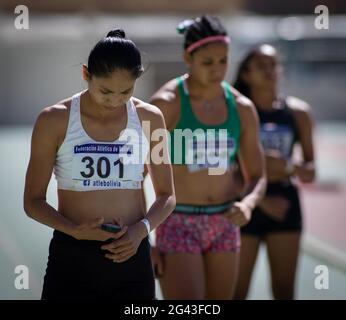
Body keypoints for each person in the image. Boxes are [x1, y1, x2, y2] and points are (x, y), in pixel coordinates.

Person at [23, 29, 176, 300]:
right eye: (105, 91)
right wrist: (74, 231)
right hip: (72, 256)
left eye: (126, 91)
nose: (115, 100)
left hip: (131, 254)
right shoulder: (53, 120)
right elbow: (32, 201)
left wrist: (140, 231)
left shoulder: (151, 118)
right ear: (86, 74)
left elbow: (167, 196)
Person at [149, 16, 266, 300]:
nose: (218, 70)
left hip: (224, 222)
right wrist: (145, 236)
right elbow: (136, 172)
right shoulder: (164, 105)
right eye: (208, 62)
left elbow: (257, 175)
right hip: (178, 222)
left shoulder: (242, 108)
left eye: (223, 61)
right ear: (187, 57)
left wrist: (248, 205)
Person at [233, 44, 316, 300]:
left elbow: (311, 172)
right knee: (237, 290)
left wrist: (288, 166)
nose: (270, 71)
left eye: (274, 65)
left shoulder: (298, 112)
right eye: (261, 66)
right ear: (246, 74)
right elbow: (224, 171)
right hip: (245, 203)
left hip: (285, 203)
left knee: (283, 289)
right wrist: (262, 202)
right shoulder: (237, 112)